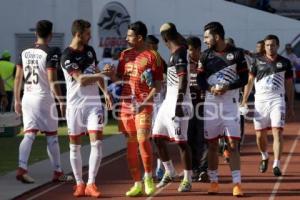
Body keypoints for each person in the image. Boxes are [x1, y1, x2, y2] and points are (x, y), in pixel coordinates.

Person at [103, 21, 163, 197]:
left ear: (139, 38)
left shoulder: (153, 56)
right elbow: (120, 81)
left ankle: (149, 179)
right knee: (130, 146)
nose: (126, 38)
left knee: (143, 140)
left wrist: (144, 104)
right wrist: (111, 74)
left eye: (129, 36)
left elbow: (158, 86)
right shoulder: (124, 55)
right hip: (126, 107)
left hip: (144, 106)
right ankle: (137, 183)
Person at [14, 20, 73, 184]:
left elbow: (18, 77)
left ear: (36, 33)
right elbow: (52, 79)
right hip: (43, 98)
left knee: (29, 134)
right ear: (51, 35)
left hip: (27, 97)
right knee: (52, 136)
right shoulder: (52, 51)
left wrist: (17, 100)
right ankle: (58, 172)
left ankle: (22, 168)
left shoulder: (24, 51)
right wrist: (61, 100)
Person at [60, 19, 112, 197]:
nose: (90, 37)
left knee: (97, 143)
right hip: (75, 107)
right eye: (88, 34)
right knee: (74, 147)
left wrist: (105, 93)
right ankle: (79, 183)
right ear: (78, 34)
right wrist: (102, 74)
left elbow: (95, 71)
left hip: (93, 106)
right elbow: (81, 80)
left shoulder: (90, 51)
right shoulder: (67, 55)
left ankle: (91, 183)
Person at [197, 21, 248, 197]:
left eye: (206, 37)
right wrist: (210, 89)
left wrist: (228, 87)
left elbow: (244, 78)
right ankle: (213, 182)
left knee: (233, 144)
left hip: (230, 104)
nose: (204, 40)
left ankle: (237, 184)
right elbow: (200, 80)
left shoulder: (237, 54)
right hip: (211, 104)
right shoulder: (204, 56)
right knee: (211, 144)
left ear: (216, 36)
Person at [241, 34, 294, 177]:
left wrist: (291, 104)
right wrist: (244, 100)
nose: (270, 47)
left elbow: (289, 85)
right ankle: (264, 156)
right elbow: (250, 82)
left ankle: (277, 163)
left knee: (277, 132)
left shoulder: (285, 63)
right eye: (267, 45)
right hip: (260, 101)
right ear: (264, 46)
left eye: (273, 45)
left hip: (278, 100)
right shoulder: (257, 61)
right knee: (260, 135)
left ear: (278, 46)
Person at [152, 22, 193, 192]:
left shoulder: (180, 54)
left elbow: (183, 81)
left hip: (178, 102)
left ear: (165, 39)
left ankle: (188, 179)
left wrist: (179, 103)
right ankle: (170, 172)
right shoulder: (176, 50)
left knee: (181, 143)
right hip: (167, 102)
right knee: (157, 137)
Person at [186, 36, 208, 182]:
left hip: (205, 106)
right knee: (190, 138)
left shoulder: (206, 62)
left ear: (199, 49)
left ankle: (203, 169)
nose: (189, 52)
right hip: (188, 106)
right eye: (188, 50)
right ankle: (194, 168)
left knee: (203, 138)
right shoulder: (184, 63)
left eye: (192, 50)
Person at [145, 34, 168, 180]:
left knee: (158, 137)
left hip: (159, 104)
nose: (155, 49)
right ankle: (149, 170)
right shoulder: (142, 61)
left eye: (156, 47)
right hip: (145, 104)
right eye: (152, 47)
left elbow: (166, 78)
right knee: (146, 139)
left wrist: (155, 78)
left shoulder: (161, 61)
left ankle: (161, 168)